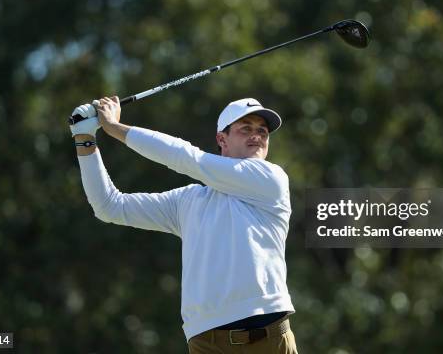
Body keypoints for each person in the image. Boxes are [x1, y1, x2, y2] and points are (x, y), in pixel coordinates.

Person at [70, 96, 298, 353]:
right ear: (222, 139)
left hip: (266, 337)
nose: (257, 136)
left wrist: (114, 127)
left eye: (262, 131)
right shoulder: (188, 200)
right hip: (205, 343)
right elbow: (109, 206)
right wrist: (84, 139)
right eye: (246, 128)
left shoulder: (271, 179)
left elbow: (188, 159)